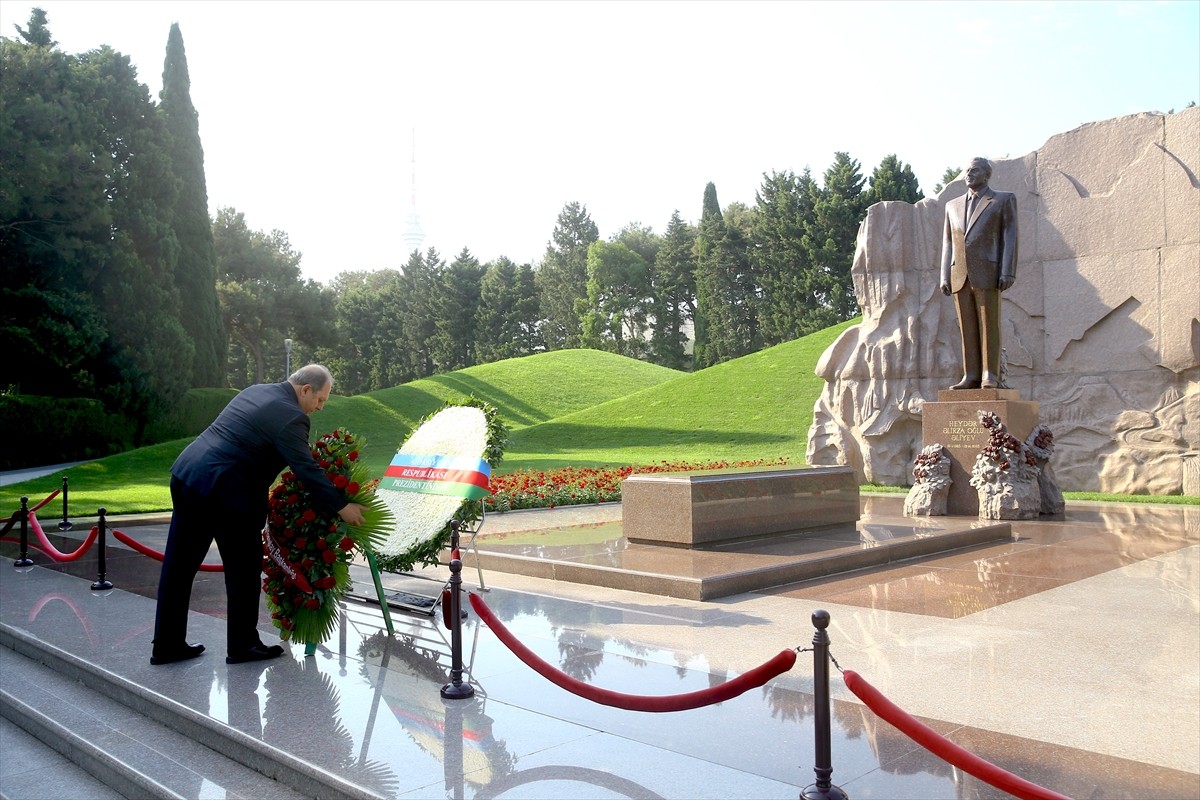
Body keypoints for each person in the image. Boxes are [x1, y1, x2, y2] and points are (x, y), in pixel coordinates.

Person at [151, 364, 366, 665]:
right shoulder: (292, 416)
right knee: (243, 569)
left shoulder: (257, 391)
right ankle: (242, 646)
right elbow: (306, 469)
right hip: (225, 492)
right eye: (320, 400)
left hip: (188, 476)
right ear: (306, 389)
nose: (319, 407)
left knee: (178, 568)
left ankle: (167, 645)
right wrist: (342, 507)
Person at [940, 157, 1018, 390]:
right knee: (967, 327)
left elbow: (1010, 236)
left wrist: (1007, 270)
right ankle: (970, 375)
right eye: (966, 171)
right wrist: (944, 274)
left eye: (974, 170)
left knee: (989, 324)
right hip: (959, 274)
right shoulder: (951, 206)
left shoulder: (1003, 200)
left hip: (989, 271)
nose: (968, 174)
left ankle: (989, 375)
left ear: (986, 174)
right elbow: (947, 243)